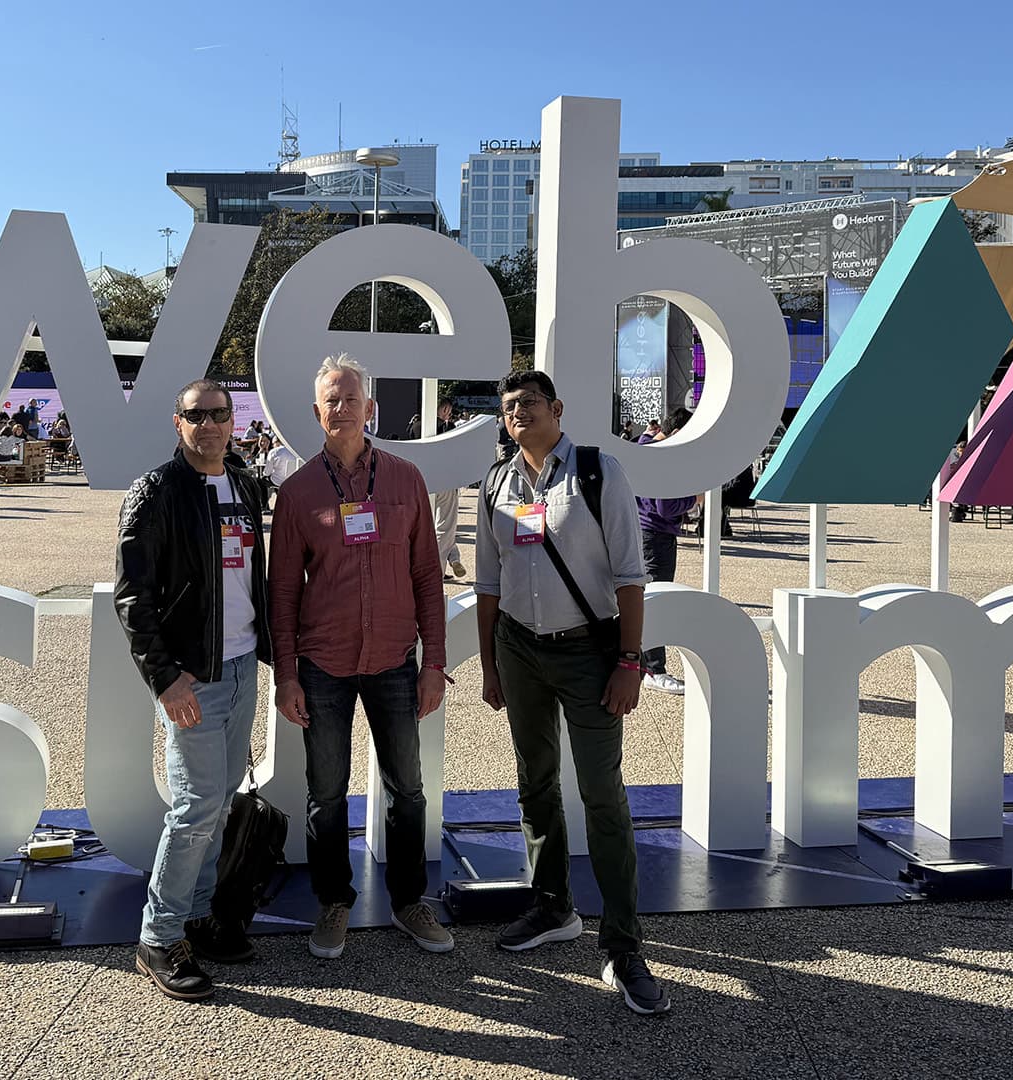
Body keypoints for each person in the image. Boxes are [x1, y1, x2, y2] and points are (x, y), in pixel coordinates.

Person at [474, 369, 669, 1016]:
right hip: (519, 647)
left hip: (589, 652)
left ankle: (623, 946)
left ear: (557, 407)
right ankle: (553, 906)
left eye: (528, 403)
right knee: (534, 781)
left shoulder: (596, 471)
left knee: (602, 795)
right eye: (508, 408)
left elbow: (631, 575)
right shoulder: (497, 485)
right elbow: (490, 581)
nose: (517, 414)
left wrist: (630, 662)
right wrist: (492, 667)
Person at [269, 354, 454, 961]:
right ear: (316, 412)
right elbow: (282, 593)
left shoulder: (405, 480)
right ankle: (333, 902)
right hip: (321, 665)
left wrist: (433, 664)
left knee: (409, 789)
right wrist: (287, 676)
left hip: (395, 662)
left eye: (352, 398)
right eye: (331, 399)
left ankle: (408, 903)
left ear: (369, 409)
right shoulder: (296, 493)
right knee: (325, 792)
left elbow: (428, 575)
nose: (342, 408)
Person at [114, 378, 271, 1001]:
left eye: (219, 414)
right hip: (192, 676)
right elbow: (134, 597)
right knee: (195, 806)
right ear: (176, 423)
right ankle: (159, 936)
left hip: (239, 666)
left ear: (234, 420)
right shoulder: (155, 492)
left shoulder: (245, 483)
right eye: (196, 415)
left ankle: (201, 916)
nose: (209, 424)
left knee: (220, 798)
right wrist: (165, 677)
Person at [636, 408, 698, 695]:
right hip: (657, 534)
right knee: (656, 597)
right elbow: (666, 506)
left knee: (640, 596)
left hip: (638, 529)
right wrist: (695, 498)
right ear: (676, 433)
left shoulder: (642, 445)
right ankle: (654, 668)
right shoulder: (663, 456)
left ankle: (640, 663)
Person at [427, 398, 467, 580]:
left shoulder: (415, 425)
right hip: (445, 481)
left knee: (426, 527)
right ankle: (439, 567)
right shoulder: (448, 428)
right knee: (445, 526)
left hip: (421, 481)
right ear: (444, 409)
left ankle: (452, 558)